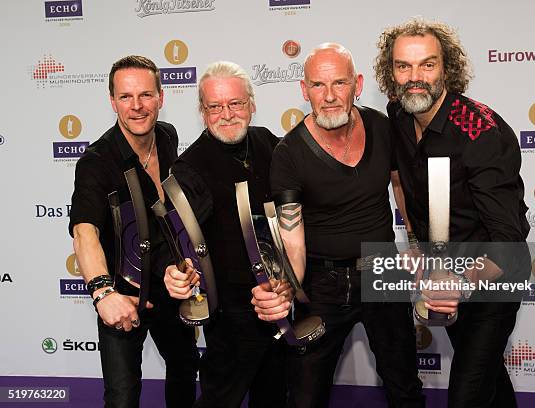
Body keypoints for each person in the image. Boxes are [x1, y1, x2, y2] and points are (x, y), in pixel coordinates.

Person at [251, 43, 425, 408]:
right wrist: (287, 287)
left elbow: (399, 186)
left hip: (383, 269)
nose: (329, 97)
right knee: (305, 395)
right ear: (304, 90)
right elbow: (293, 239)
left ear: (357, 84)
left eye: (339, 83)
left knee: (405, 385)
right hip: (322, 284)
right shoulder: (289, 153)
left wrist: (414, 241)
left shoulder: (381, 126)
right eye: (317, 85)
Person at [374, 18, 531, 408]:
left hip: (494, 278)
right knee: (488, 378)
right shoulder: (398, 114)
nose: (415, 78)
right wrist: (414, 241)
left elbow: (508, 242)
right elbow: (398, 180)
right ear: (390, 71)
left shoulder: (481, 133)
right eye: (403, 66)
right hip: (445, 269)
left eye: (427, 65)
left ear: (447, 68)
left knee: (466, 395)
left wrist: (459, 285)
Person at [69, 55, 198, 407]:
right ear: (112, 101)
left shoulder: (167, 137)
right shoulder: (97, 161)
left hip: (170, 284)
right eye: (125, 97)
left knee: (186, 372)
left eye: (145, 95)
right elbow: (84, 233)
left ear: (161, 97)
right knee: (122, 396)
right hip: (121, 294)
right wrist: (101, 292)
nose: (137, 106)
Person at [163, 61, 288, 408]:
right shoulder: (189, 167)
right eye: (215, 106)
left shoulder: (268, 143)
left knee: (275, 396)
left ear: (251, 103)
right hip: (232, 314)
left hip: (278, 299)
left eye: (235, 103)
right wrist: (175, 270)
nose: (227, 114)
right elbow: (179, 241)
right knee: (221, 398)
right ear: (203, 112)